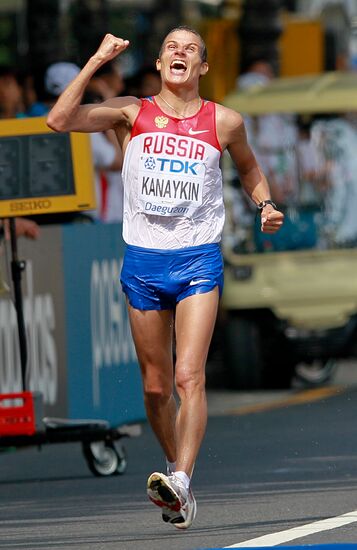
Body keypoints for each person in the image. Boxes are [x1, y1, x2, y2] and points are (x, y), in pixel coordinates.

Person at [47, 27, 284, 529]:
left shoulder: (224, 120)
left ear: (201, 68)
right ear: (159, 64)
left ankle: (180, 477)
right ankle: (181, 484)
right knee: (156, 389)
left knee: (187, 376)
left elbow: (248, 169)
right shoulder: (131, 112)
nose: (180, 52)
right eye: (172, 47)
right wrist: (95, 61)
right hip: (144, 262)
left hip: (198, 258)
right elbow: (58, 119)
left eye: (191, 49)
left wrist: (264, 205)